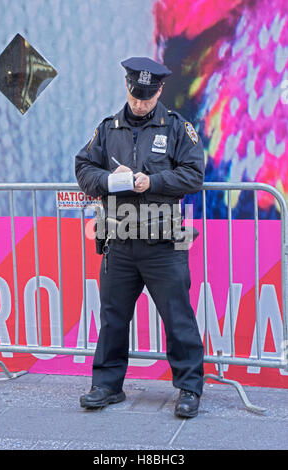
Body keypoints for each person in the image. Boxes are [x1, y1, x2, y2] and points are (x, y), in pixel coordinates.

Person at [75, 57, 205, 418]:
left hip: (164, 242)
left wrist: (154, 181)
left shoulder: (178, 128)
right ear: (127, 87)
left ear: (159, 90)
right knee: (113, 318)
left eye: (147, 97)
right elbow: (83, 168)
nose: (140, 102)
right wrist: (107, 182)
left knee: (178, 318)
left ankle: (190, 388)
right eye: (135, 95)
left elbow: (193, 175)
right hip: (120, 240)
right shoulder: (108, 129)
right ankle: (106, 385)